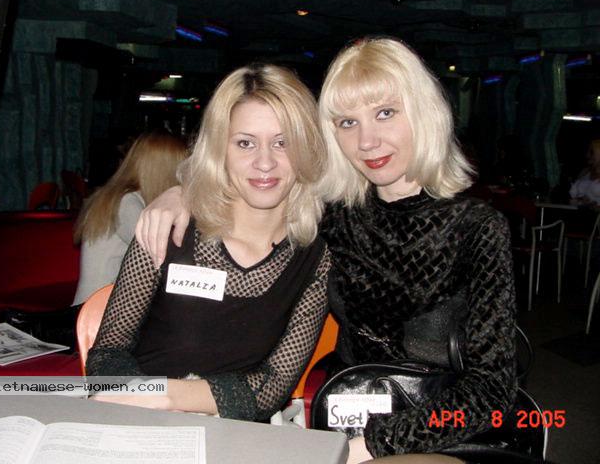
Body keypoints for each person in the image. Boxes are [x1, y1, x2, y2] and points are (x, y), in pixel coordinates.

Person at [136, 38, 517, 463]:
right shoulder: (332, 215)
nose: (367, 141)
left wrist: (366, 448)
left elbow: (492, 391)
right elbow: (251, 180)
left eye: (385, 113)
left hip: (443, 431)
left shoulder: (477, 228)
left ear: (424, 113)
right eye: (347, 122)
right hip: (347, 415)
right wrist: (180, 192)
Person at [86, 63, 332, 422]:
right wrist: (141, 399)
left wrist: (172, 396)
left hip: (230, 433)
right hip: (139, 419)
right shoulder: (171, 228)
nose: (265, 162)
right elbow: (109, 351)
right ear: (220, 149)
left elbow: (273, 387)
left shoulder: (315, 258)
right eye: (245, 143)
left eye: (283, 143)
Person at [72, 129, 187, 306]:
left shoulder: (119, 196)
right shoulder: (125, 202)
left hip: (98, 304)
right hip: (97, 311)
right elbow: (159, 254)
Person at [570, 138, 600, 206]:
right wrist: (580, 200)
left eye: (592, 152)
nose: (588, 155)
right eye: (588, 151)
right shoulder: (585, 172)